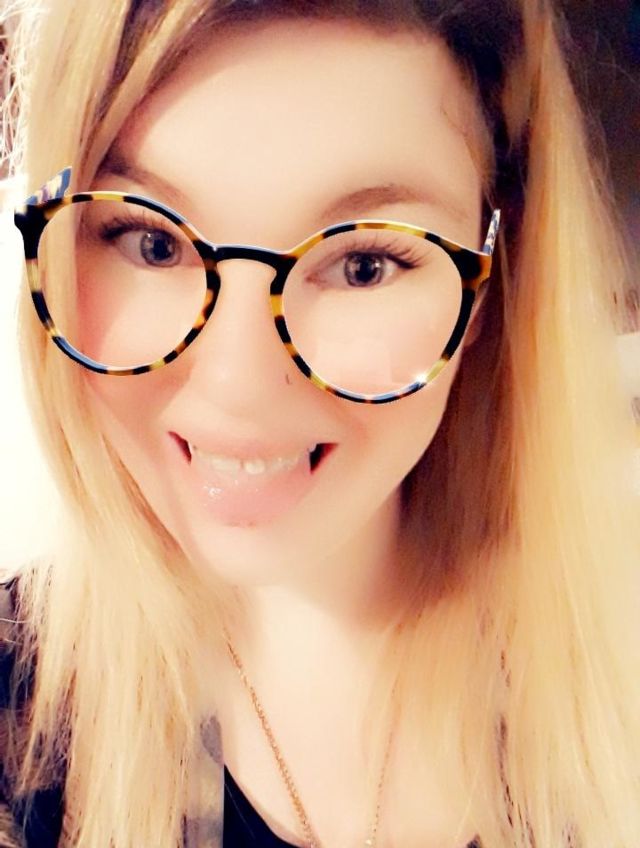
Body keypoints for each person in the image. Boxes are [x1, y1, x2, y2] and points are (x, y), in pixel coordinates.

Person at [0, 1, 638, 846]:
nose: (238, 386)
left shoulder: (617, 663)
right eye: (151, 242)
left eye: (364, 264)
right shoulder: (18, 721)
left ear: (492, 278)